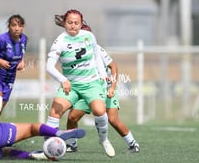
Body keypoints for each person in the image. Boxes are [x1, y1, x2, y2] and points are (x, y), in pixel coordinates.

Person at [55, 16, 140, 154]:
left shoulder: (97, 49)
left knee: (113, 119)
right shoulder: (73, 48)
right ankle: (72, 145)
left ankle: (133, 144)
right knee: (72, 117)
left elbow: (114, 67)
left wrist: (112, 87)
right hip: (89, 88)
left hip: (105, 88)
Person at [45, 9, 115, 157]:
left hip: (92, 84)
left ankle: (104, 140)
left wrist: (103, 75)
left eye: (76, 23)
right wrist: (63, 80)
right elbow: (49, 67)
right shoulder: (60, 41)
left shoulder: (89, 36)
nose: (73, 26)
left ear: (81, 24)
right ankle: (49, 144)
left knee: (99, 111)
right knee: (55, 111)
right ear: (64, 23)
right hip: (72, 86)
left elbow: (96, 56)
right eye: (70, 22)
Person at [0, 14, 28, 122]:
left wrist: (21, 62)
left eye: (20, 25)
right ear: (9, 26)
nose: (17, 28)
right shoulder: (1, 39)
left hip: (10, 78)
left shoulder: (24, 39)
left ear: (23, 27)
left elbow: (20, 55)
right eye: (14, 25)